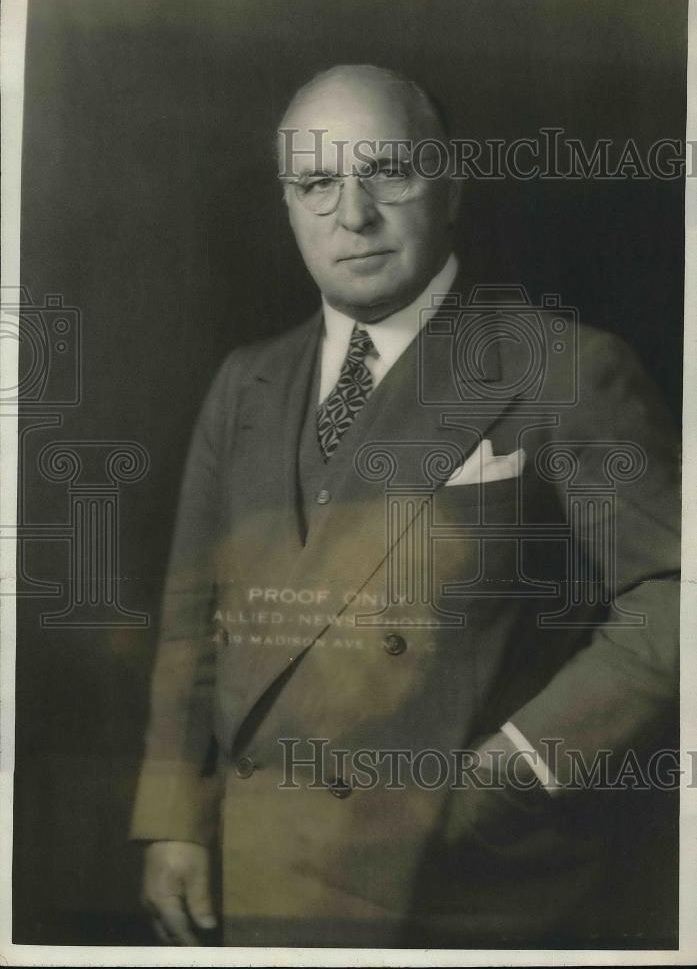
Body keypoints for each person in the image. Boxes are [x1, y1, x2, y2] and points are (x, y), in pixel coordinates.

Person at [130, 64, 680, 948]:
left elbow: (676, 594)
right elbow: (195, 623)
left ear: (451, 183)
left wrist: (518, 766)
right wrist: (174, 819)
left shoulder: (565, 369)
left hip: (458, 884)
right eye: (316, 183)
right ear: (286, 202)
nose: (352, 215)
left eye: (388, 172)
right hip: (255, 867)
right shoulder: (246, 382)